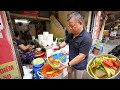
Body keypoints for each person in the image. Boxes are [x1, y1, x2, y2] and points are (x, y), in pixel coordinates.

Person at [53, 11, 92, 79]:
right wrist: (58, 47)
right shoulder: (71, 34)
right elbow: (65, 42)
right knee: (69, 74)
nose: (70, 28)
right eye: (69, 26)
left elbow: (81, 56)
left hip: (80, 65)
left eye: (72, 26)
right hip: (70, 60)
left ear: (80, 23)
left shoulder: (87, 38)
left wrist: (67, 64)